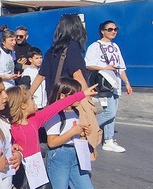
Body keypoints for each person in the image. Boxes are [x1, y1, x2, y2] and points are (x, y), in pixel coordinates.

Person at [44, 78, 117, 189]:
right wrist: (73, 132)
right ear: (63, 95)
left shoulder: (75, 112)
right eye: (75, 94)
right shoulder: (53, 114)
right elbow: (52, 142)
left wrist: (82, 133)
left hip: (76, 153)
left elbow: (75, 133)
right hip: (59, 156)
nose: (79, 98)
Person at [30, 14, 102, 154]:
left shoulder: (52, 50)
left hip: (54, 102)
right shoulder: (73, 48)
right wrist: (87, 97)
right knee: (74, 138)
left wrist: (28, 94)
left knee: (55, 135)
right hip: (70, 102)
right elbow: (78, 75)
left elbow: (40, 76)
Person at [85, 20, 133, 153]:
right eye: (110, 29)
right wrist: (104, 67)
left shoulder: (115, 47)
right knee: (109, 112)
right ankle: (86, 128)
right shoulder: (95, 46)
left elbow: (121, 68)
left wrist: (127, 83)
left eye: (115, 29)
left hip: (115, 84)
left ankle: (109, 140)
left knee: (113, 114)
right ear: (102, 31)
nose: (113, 32)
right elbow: (87, 64)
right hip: (103, 84)